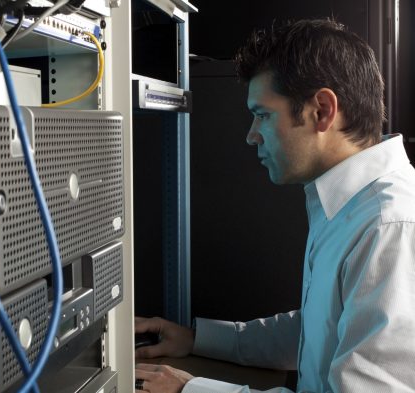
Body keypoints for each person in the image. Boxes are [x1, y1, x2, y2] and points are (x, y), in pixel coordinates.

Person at [134, 18, 415, 393]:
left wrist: (192, 389)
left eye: (262, 115)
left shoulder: (390, 225)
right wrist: (196, 339)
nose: (251, 136)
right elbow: (316, 330)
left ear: (322, 111)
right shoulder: (352, 204)